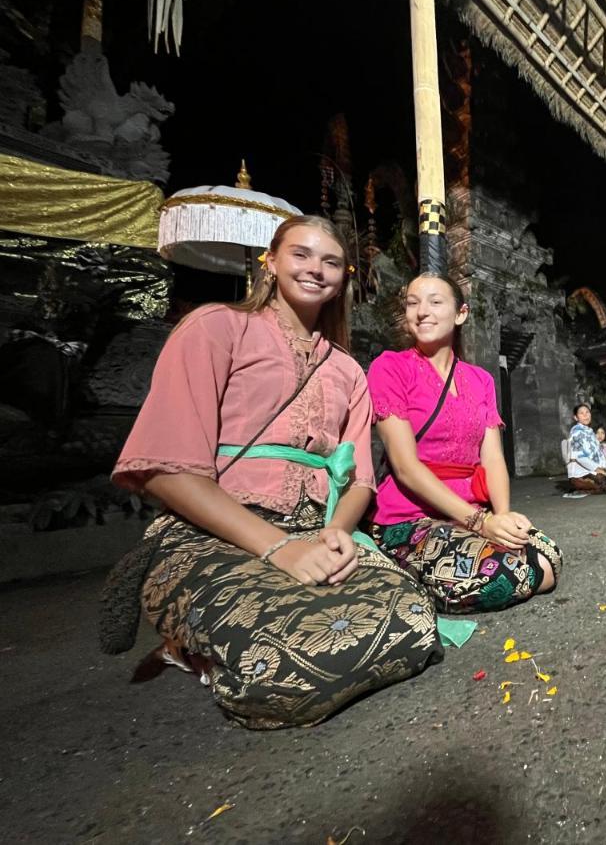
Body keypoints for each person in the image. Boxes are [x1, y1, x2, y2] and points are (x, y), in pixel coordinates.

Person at [107, 215, 442, 730]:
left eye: (331, 262)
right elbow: (164, 468)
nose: (316, 270)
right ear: (270, 260)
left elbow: (358, 480)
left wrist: (334, 533)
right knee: (290, 668)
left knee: (415, 623)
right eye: (301, 254)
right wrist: (277, 548)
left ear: (344, 276)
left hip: (314, 529)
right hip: (211, 534)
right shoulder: (215, 327)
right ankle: (191, 649)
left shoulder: (347, 370)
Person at [369, 273, 562, 613]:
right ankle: (408, 575)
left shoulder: (480, 379)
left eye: (435, 302)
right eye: (413, 303)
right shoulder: (390, 367)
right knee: (509, 575)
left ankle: (437, 577)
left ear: (461, 313)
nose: (422, 312)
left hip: (472, 511)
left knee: (547, 559)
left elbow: (492, 459)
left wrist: (501, 517)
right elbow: (405, 467)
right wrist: (480, 523)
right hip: (412, 515)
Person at [566, 404, 606, 493]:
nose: (585, 415)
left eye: (587, 412)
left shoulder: (590, 432)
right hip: (580, 474)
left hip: (593, 471)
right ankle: (580, 488)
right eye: (581, 413)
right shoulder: (576, 433)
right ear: (576, 417)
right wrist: (598, 469)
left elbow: (599, 455)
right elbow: (580, 457)